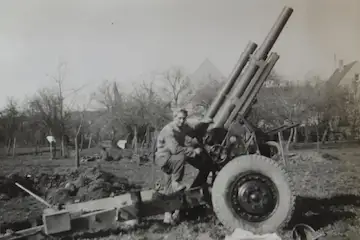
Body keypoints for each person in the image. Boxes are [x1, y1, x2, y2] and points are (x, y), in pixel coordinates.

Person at [154, 108, 212, 224]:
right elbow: (175, 149)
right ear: (174, 118)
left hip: (172, 159)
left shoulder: (183, 126)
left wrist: (206, 122)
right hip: (164, 158)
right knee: (181, 157)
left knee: (168, 187)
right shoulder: (169, 130)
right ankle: (177, 182)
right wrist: (193, 152)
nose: (181, 121)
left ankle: (169, 216)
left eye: (183, 118)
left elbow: (194, 128)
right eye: (179, 118)